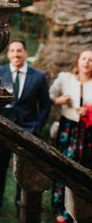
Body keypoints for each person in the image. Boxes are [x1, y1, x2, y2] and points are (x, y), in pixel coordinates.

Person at [0, 40, 51, 217]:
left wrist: (37, 126)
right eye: (12, 51)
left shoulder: (38, 76)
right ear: (8, 54)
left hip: (27, 130)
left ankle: (22, 206)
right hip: (3, 129)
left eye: (19, 51)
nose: (16, 54)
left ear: (26, 53)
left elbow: (45, 105)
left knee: (25, 171)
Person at [49, 49, 92, 222]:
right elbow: (48, 96)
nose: (87, 62)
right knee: (63, 165)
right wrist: (57, 101)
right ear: (78, 60)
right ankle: (60, 209)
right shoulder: (65, 78)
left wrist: (88, 110)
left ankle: (83, 208)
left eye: (91, 59)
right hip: (68, 129)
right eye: (84, 58)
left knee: (86, 166)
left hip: (88, 132)